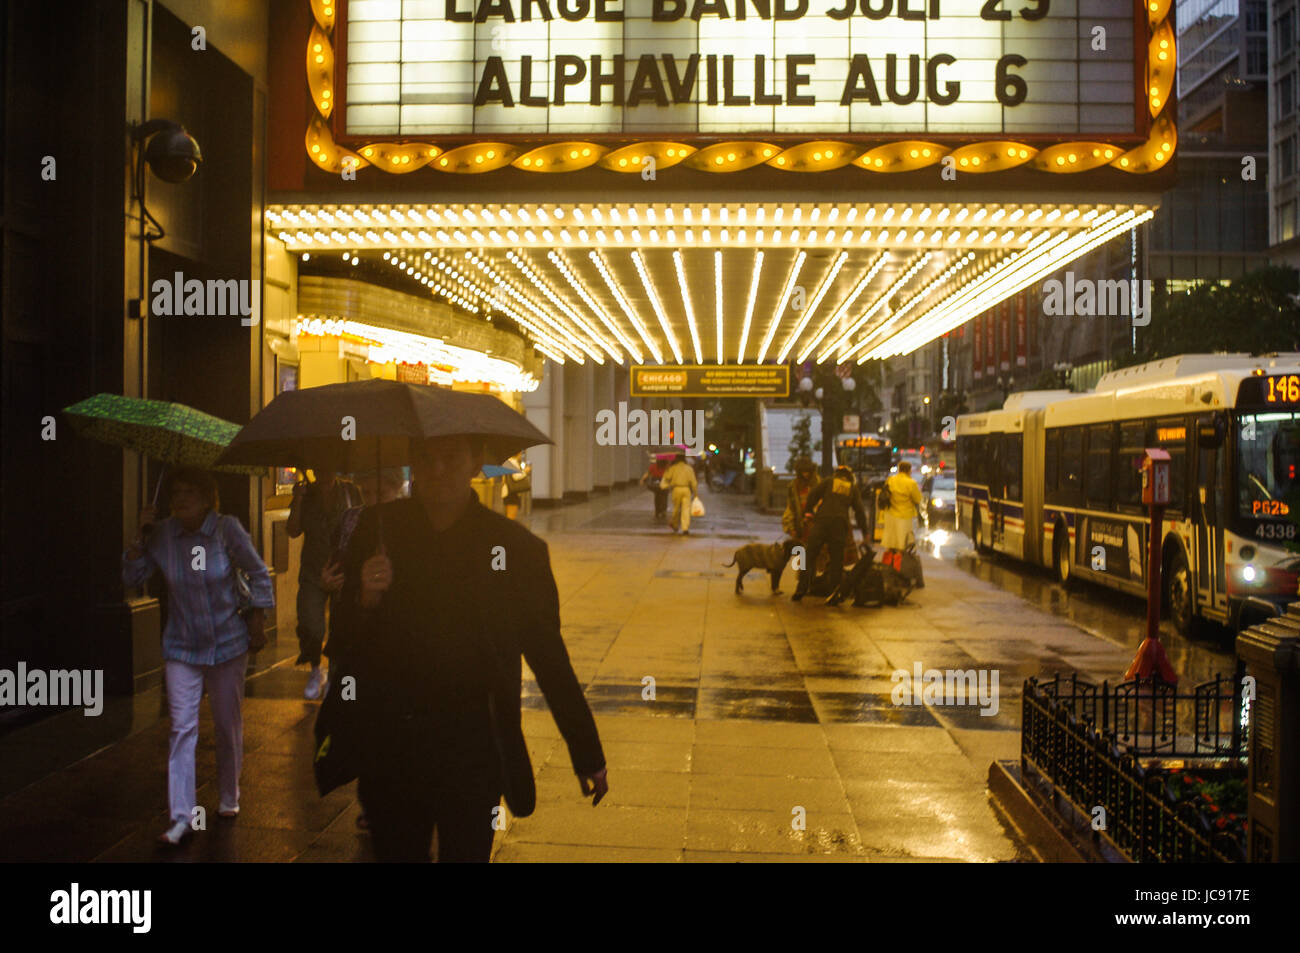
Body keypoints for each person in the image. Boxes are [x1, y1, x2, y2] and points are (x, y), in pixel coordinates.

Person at [330, 435, 609, 862]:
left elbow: (548, 656)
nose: (438, 470)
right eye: (426, 458)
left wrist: (586, 751)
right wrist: (364, 597)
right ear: (412, 464)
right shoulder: (378, 530)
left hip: (474, 749)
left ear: (475, 463)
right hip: (391, 748)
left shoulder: (516, 549)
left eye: (450, 458)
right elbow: (347, 641)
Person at [121, 467, 274, 845]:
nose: (181, 498)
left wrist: (258, 615)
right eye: (176, 492)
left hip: (227, 643)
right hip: (182, 647)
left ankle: (228, 795)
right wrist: (140, 536)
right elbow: (132, 576)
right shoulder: (164, 535)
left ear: (208, 498)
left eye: (190, 491)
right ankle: (181, 817)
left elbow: (258, 573)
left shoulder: (227, 530)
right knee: (182, 728)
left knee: (226, 724)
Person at [287, 470, 362, 700]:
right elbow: (292, 530)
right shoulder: (306, 494)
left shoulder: (350, 491)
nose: (325, 470)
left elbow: (363, 521)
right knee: (311, 624)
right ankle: (315, 668)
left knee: (341, 628)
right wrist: (298, 499)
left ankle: (335, 676)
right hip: (313, 570)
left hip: (342, 570)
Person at [792, 465, 869, 602]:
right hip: (839, 525)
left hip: (821, 522)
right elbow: (860, 512)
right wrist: (865, 533)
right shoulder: (852, 487)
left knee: (809, 556)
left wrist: (809, 512)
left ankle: (801, 588)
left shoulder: (829, 481)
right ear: (849, 477)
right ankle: (834, 593)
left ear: (837, 474)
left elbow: (812, 495)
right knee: (836, 560)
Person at [882, 460, 926, 588]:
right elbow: (917, 499)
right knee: (902, 547)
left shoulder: (890, 480)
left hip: (890, 516)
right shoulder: (911, 483)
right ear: (909, 470)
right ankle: (898, 573)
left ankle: (886, 571)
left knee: (890, 545)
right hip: (905, 517)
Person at [660, 452, 698, 535]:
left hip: (676, 489)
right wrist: (695, 493)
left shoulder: (673, 468)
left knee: (676, 509)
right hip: (686, 489)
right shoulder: (689, 468)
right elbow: (694, 482)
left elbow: (667, 477)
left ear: (676, 459)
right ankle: (685, 528)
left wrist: (667, 468)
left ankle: (675, 525)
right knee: (686, 509)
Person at [783, 458, 818, 542]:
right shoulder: (794, 486)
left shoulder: (818, 483)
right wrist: (790, 527)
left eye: (807, 471)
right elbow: (791, 507)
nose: (805, 474)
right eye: (803, 472)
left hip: (816, 524)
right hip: (800, 525)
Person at [503, 455, 531, 521]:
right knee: (511, 517)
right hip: (512, 492)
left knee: (509, 516)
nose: (521, 455)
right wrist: (525, 471)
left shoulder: (508, 461)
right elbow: (515, 476)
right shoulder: (513, 462)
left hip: (508, 491)